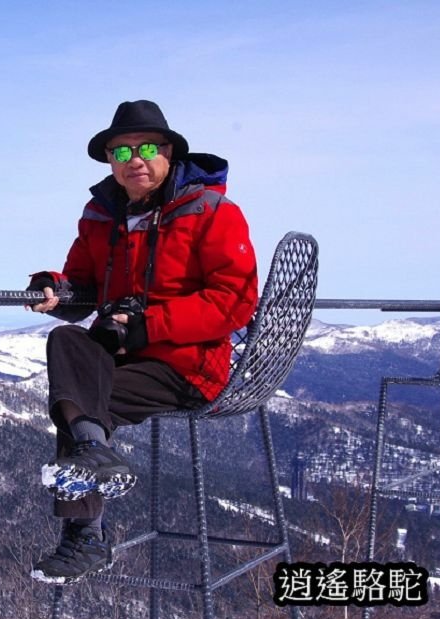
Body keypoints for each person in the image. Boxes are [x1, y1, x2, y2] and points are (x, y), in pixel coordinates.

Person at [25, 100, 259, 584]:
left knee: (79, 403)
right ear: (109, 160)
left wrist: (148, 325)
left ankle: (86, 536)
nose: (135, 159)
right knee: (67, 342)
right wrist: (55, 287)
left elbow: (234, 301)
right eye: (121, 151)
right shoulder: (99, 215)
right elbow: (82, 286)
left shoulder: (212, 212)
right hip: (123, 356)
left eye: (148, 147)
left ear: (169, 152)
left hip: (187, 365)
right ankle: (95, 451)